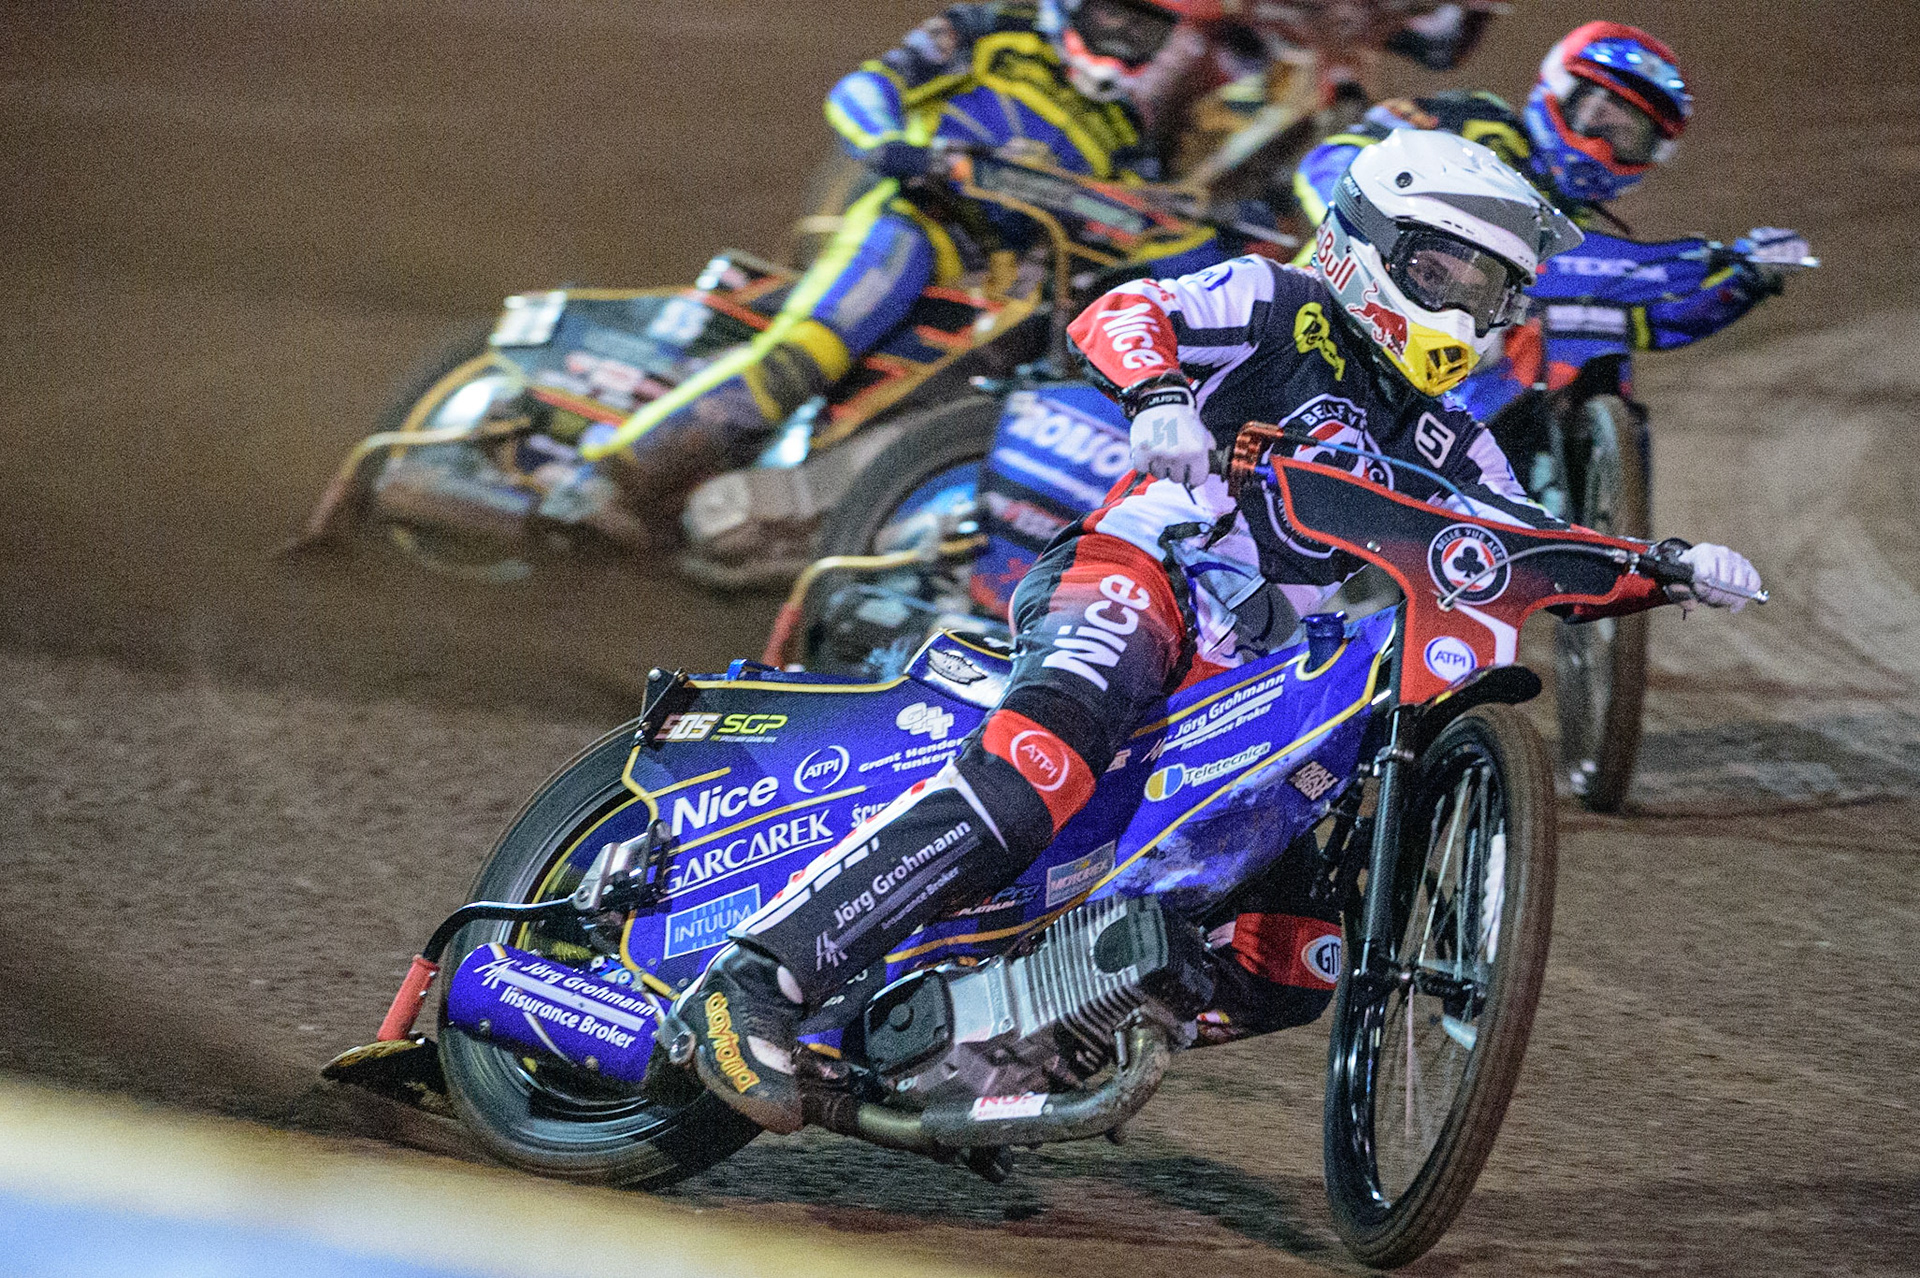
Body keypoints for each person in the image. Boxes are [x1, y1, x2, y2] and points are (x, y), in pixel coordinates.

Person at [659, 128, 1762, 1132]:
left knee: (1304, 958)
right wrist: (1159, 400)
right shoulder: (1277, 300)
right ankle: (756, 976)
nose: (1464, 308)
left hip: (1262, 672)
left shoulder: (1445, 432)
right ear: (1372, 244)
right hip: (1141, 574)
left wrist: (1659, 570)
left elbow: (1522, 537)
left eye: (1490, 290)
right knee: (1046, 759)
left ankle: (1040, 1037)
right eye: (1443, 272)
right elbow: (1124, 313)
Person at [579, 0, 1240, 539]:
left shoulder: (1126, 131)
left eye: (1145, 29)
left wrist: (1227, 259)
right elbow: (865, 88)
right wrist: (891, 142)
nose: (1125, 38)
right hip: (915, 224)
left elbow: (1153, 231)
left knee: (988, 397)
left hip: (999, 285)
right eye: (1113, 16)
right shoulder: (990, 35)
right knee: (807, 353)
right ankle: (615, 475)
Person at [1291, 21, 1812, 426]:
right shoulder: (1470, 122)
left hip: (1445, 358)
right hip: (1333, 308)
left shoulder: (1573, 231)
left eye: (1631, 136)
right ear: (1558, 90)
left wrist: (1746, 277)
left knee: (1592, 334)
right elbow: (1328, 165)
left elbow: (1649, 321)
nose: (1606, 143)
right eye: (1599, 114)